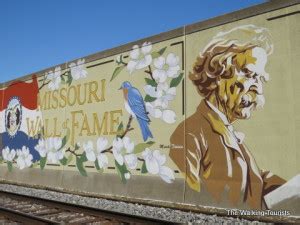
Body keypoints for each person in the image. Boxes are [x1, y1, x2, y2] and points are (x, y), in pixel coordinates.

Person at [170, 25, 285, 209]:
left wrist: (292, 189)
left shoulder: (226, 129)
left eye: (260, 78)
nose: (258, 88)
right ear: (219, 72)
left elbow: (251, 180)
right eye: (249, 74)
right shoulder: (190, 133)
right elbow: (194, 190)